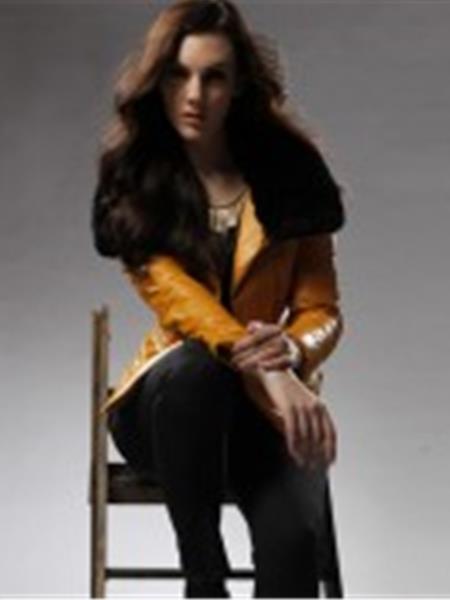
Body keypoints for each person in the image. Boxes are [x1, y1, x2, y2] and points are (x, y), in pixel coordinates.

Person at [92, 0, 346, 597]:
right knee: (196, 371)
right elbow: (180, 301)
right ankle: (204, 582)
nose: (194, 94)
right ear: (157, 82)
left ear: (239, 86)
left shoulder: (293, 177)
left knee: (294, 543)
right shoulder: (137, 180)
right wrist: (272, 370)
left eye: (214, 77)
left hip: (260, 413)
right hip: (167, 410)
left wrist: (290, 350)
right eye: (178, 74)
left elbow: (322, 310)